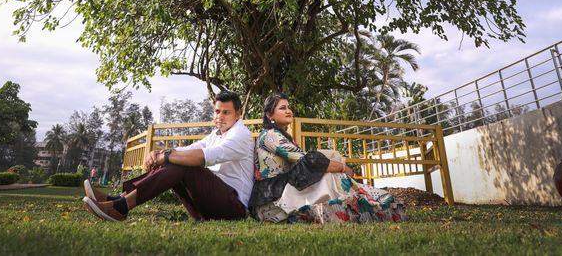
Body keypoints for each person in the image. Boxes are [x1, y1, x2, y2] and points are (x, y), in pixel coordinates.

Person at [82, 90, 254, 222]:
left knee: (182, 164)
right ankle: (118, 201)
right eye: (217, 112)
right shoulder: (217, 134)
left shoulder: (240, 135)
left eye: (226, 112)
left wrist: (165, 157)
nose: (220, 117)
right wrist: (161, 153)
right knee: (176, 159)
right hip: (209, 205)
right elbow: (190, 149)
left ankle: (120, 206)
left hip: (233, 208)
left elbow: (204, 156)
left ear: (238, 114)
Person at [249, 93, 405, 223]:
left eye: (289, 107)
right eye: (282, 108)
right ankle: (364, 202)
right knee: (328, 174)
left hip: (283, 190)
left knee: (329, 163)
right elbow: (309, 161)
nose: (288, 111)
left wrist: (335, 162)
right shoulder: (270, 136)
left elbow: (309, 161)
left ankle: (360, 201)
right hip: (271, 201)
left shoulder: (283, 136)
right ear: (270, 115)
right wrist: (342, 167)